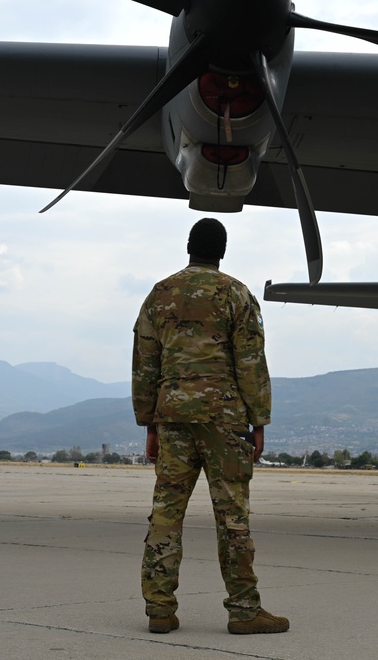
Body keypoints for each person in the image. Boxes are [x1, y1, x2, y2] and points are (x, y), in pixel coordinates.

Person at [132, 217, 289, 635]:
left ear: (188, 246)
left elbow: (145, 363)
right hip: (224, 419)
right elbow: (251, 362)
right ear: (222, 251)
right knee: (232, 516)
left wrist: (149, 422)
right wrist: (259, 420)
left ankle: (159, 609)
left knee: (166, 514)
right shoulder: (236, 294)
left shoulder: (159, 295)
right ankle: (243, 610)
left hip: (173, 419)